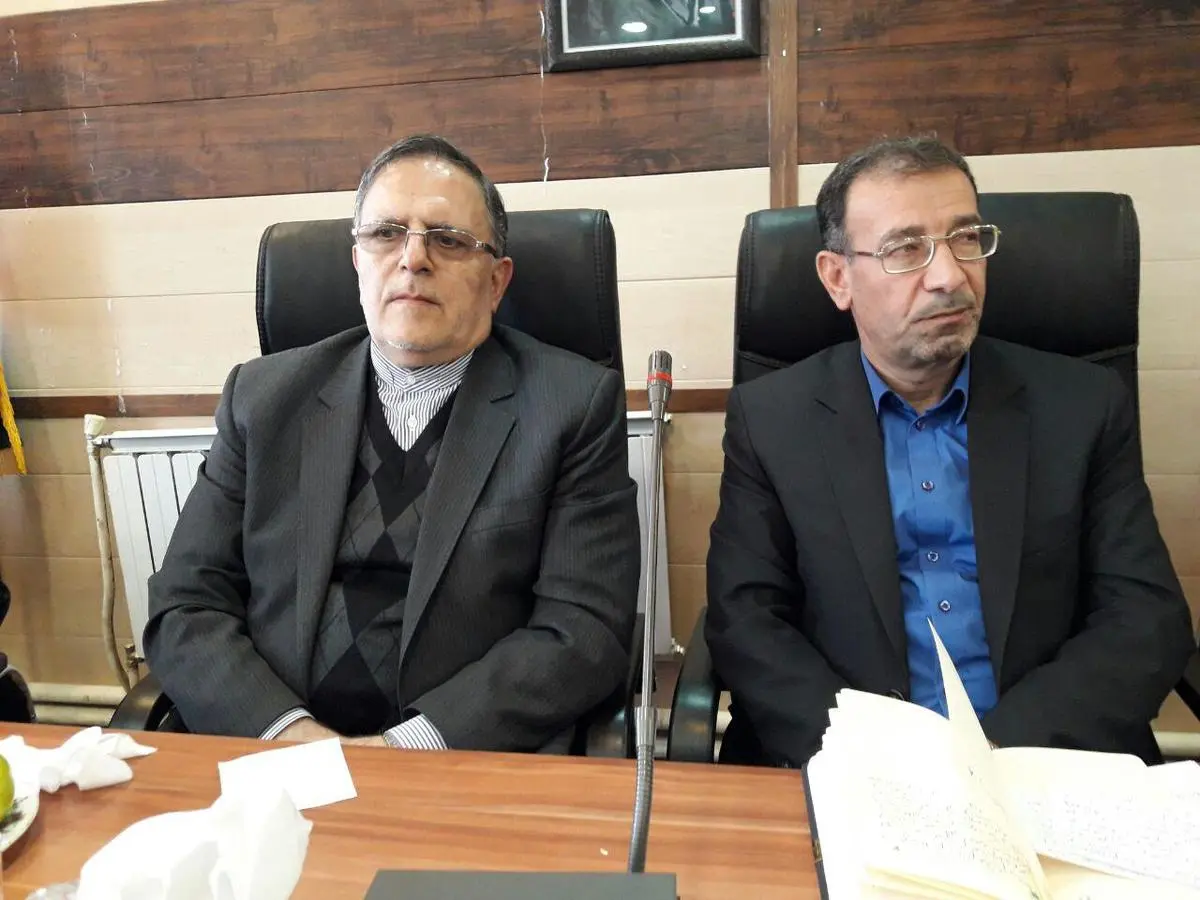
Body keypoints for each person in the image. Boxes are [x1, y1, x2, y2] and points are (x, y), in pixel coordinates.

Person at [706, 136, 1194, 767]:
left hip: (1045, 759)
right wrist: (875, 755)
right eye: (906, 249)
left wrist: (994, 751)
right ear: (837, 278)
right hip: (853, 763)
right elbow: (746, 621)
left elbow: (1144, 616)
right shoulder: (771, 419)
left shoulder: (1083, 407)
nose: (950, 276)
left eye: (966, 239)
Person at [144, 134, 640, 753]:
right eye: (385, 234)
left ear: (496, 281)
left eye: (448, 240)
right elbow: (185, 603)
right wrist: (290, 737)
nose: (413, 259)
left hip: (460, 759)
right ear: (358, 263)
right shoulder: (263, 398)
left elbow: (583, 628)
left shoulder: (571, 406)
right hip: (272, 754)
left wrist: (406, 750)